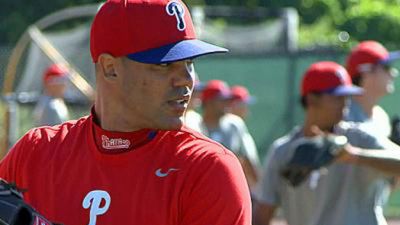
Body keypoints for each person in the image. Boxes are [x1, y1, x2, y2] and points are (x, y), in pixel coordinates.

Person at [0, 0, 252, 224]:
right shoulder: (35, 152)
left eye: (189, 63)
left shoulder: (208, 169)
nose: (186, 79)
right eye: (164, 64)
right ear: (110, 68)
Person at [254, 61, 400, 225]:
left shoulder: (358, 138)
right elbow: (262, 215)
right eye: (337, 97)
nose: (345, 104)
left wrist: (354, 155)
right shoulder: (283, 151)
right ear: (311, 99)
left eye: (346, 97)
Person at [200, 79, 260, 191]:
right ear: (209, 102)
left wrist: (257, 190)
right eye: (222, 100)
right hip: (205, 188)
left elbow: (248, 159)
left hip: (232, 187)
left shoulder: (234, 124)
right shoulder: (195, 125)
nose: (227, 104)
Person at [345, 40, 400, 137]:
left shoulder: (381, 115)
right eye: (386, 67)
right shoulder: (343, 116)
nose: (394, 73)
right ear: (366, 73)